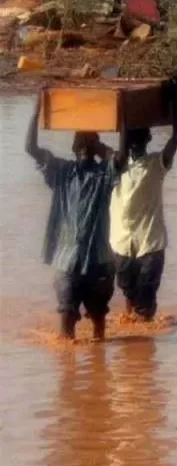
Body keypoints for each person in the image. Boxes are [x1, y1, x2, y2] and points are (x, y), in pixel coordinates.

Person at [25, 99, 118, 341]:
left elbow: (120, 160)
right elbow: (31, 148)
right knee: (65, 328)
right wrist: (37, 111)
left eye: (90, 142)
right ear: (74, 147)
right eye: (81, 142)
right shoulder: (62, 172)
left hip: (99, 264)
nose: (85, 146)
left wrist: (103, 147)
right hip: (67, 262)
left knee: (99, 333)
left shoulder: (104, 175)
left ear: (96, 147)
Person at [109, 82, 177, 322]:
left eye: (140, 138)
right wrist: (123, 110)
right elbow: (115, 148)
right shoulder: (116, 165)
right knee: (129, 297)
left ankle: (143, 350)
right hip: (122, 243)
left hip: (150, 243)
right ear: (128, 142)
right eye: (133, 139)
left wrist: (176, 104)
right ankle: (137, 347)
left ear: (148, 139)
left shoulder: (156, 164)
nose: (137, 143)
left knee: (146, 305)